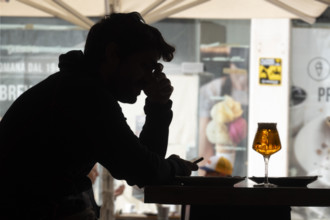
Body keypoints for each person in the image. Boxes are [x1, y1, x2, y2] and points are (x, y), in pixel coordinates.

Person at [0, 12, 198, 219]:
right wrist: (177, 167)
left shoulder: (76, 85)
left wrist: (158, 106)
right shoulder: (84, 94)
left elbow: (144, 168)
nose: (149, 80)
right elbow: (142, 170)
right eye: (144, 66)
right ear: (113, 54)